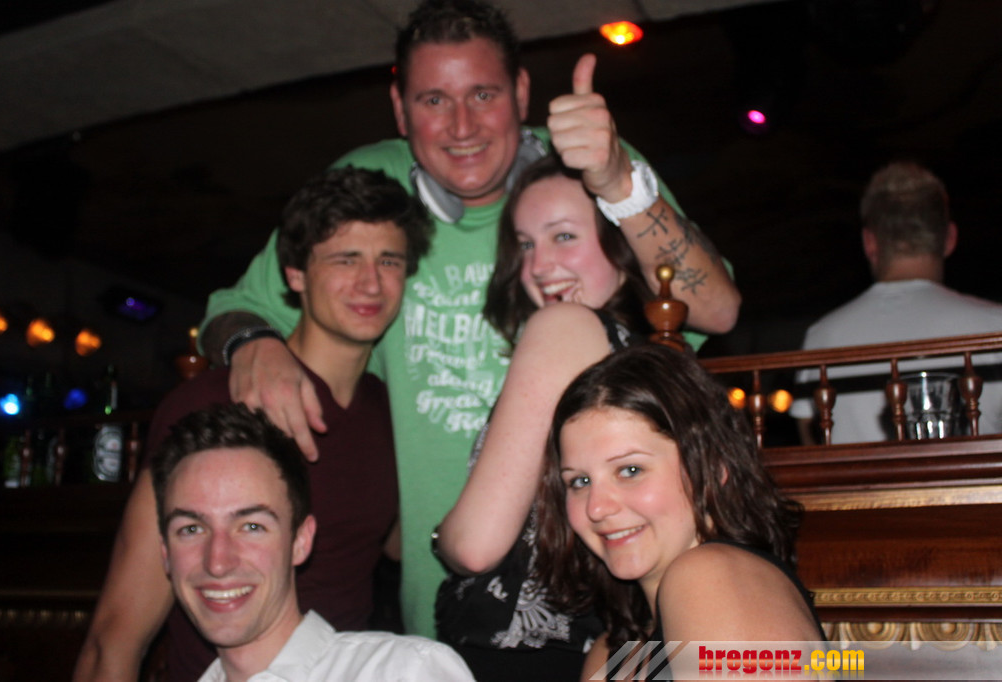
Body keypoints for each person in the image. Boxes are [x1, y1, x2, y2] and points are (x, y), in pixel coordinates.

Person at [198, 0, 741, 639]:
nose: (462, 126)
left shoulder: (585, 172)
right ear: (400, 109)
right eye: (434, 100)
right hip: (440, 613)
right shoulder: (368, 185)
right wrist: (253, 341)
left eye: (483, 94)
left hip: (591, 595)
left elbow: (716, 309)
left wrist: (619, 180)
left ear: (521, 93)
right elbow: (231, 309)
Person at [74, 167, 432, 682]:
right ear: (295, 274)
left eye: (389, 261)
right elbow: (114, 638)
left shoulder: (389, 411)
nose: (371, 283)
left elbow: (398, 542)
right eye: (345, 259)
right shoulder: (214, 401)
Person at [432, 154, 658, 680]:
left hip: (520, 658)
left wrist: (441, 537)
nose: (537, 266)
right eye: (526, 244)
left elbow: (475, 546)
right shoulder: (640, 358)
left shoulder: (564, 326)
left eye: (564, 236)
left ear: (621, 247)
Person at [535, 345, 824, 681]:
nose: (596, 508)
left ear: (713, 469)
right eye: (580, 481)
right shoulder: (613, 652)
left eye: (630, 470)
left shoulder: (710, 576)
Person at [151, 403, 476, 681]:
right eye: (191, 529)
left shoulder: (403, 672)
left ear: (301, 541)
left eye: (251, 526)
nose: (218, 561)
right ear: (165, 553)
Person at [791, 161, 1002, 444]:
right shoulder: (995, 326)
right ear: (950, 238)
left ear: (870, 243)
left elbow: (811, 444)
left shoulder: (822, 337)